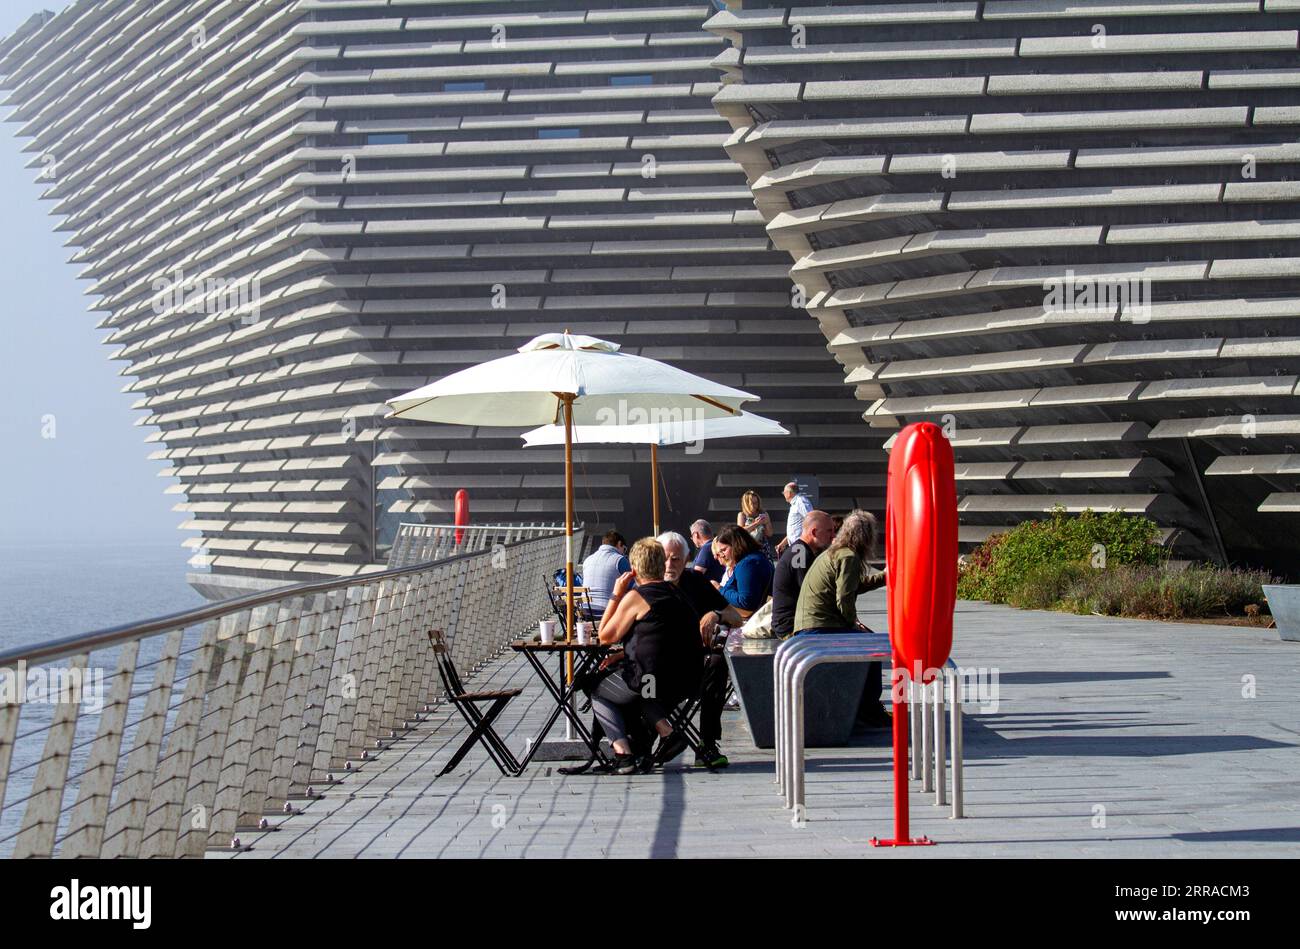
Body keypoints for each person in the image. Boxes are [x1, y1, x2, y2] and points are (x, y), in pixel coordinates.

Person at [595, 538, 702, 773]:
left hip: (655, 682)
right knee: (640, 684)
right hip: (688, 678)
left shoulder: (638, 597)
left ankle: (624, 754)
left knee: (597, 689)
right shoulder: (677, 593)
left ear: (633, 568)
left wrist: (616, 594)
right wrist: (624, 653)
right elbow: (661, 639)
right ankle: (664, 732)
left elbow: (604, 636)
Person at [793, 510, 889, 727]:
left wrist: (885, 576)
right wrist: (853, 624)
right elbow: (844, 598)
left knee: (868, 641)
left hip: (809, 626)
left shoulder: (835, 553)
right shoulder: (849, 556)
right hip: (819, 628)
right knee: (873, 648)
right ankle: (870, 708)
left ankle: (861, 705)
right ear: (866, 537)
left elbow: (851, 586)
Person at [659, 531, 745, 769]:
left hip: (692, 664)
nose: (669, 564)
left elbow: (735, 617)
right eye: (665, 558)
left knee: (717, 663)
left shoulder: (695, 582)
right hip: (656, 668)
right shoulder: (648, 584)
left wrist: (715, 613)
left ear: (687, 560)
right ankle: (649, 741)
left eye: (676, 559)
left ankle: (707, 743)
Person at [771, 509, 834, 639]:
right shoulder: (799, 553)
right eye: (829, 531)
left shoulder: (802, 550)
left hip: (800, 623)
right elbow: (810, 592)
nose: (833, 536)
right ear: (814, 532)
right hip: (792, 627)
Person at [712, 524, 774, 617]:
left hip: (752, 620)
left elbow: (746, 602)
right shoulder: (752, 559)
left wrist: (719, 589)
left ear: (736, 545)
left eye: (724, 550)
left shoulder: (747, 564)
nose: (722, 555)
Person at [581, 530, 629, 616]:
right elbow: (633, 585)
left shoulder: (587, 560)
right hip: (608, 611)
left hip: (585, 610)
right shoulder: (620, 560)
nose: (623, 553)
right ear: (619, 544)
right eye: (624, 549)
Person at [776, 481, 813, 556]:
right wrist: (783, 544)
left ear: (789, 493)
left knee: (800, 567)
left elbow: (811, 519)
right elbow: (795, 529)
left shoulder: (800, 501)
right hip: (796, 546)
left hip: (800, 546)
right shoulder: (795, 504)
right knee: (797, 567)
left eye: (784, 492)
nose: (784, 495)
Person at [737, 490, 775, 561]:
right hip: (748, 548)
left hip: (762, 548)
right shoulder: (742, 515)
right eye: (752, 503)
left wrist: (766, 523)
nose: (755, 505)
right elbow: (740, 532)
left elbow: (770, 534)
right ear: (746, 504)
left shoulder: (764, 514)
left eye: (756, 503)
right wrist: (756, 523)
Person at [688, 519, 724, 584]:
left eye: (692, 537)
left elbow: (696, 576)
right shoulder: (716, 544)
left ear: (696, 535)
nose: (692, 539)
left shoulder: (706, 548)